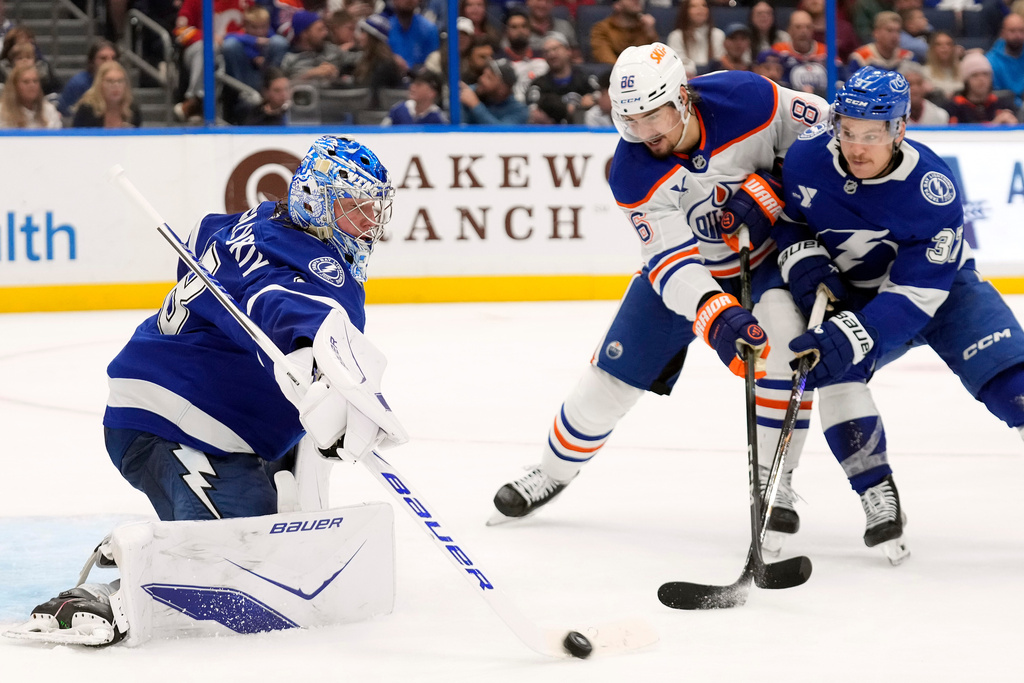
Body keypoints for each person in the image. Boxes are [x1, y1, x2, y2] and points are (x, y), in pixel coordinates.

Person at [14, 135, 401, 644]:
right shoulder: (317, 270)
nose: (369, 224)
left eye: (373, 210)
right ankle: (116, 582)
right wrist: (325, 362)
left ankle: (265, 491)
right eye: (355, 209)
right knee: (240, 571)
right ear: (317, 202)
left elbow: (205, 239)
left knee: (288, 485)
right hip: (176, 421)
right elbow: (276, 302)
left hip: (188, 405)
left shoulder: (255, 222)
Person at [491, 43, 830, 550]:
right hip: (686, 276)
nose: (645, 133)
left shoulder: (749, 98)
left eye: (654, 115)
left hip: (767, 263)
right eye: (630, 120)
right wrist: (715, 315)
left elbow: (827, 132)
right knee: (607, 384)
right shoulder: (631, 171)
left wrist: (773, 188)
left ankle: (773, 482)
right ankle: (551, 471)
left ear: (684, 97)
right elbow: (672, 262)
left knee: (784, 355)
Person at [774, 66, 1024, 564]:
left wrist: (857, 332)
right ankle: (876, 493)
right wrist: (804, 263)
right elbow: (789, 222)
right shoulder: (806, 159)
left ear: (900, 129)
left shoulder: (932, 188)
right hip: (853, 295)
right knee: (834, 374)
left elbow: (917, 292)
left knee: (1015, 389)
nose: (857, 147)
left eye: (871, 135)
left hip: (943, 294)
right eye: (847, 131)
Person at [527, 32, 598, 122]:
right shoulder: (538, 85)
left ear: (568, 51)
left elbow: (602, 95)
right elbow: (532, 111)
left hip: (583, 132)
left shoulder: (586, 78)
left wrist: (594, 99)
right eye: (546, 51)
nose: (551, 54)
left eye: (555, 49)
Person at [221, 4, 291, 94]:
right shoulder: (241, 36)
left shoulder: (270, 36)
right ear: (245, 26)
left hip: (265, 73)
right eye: (254, 27)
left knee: (279, 42)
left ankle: (274, 88)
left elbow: (277, 43)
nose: (259, 31)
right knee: (230, 45)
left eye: (263, 27)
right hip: (244, 76)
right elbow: (227, 37)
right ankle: (242, 94)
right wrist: (254, 52)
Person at [947, 50, 1019, 125]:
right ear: (966, 80)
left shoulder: (1002, 104)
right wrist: (994, 125)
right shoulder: (955, 106)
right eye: (975, 75)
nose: (981, 79)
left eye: (985, 74)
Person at [56, 39, 119, 117]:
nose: (109, 63)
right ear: (92, 62)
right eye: (103, 58)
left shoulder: (120, 83)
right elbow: (65, 116)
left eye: (113, 58)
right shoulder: (78, 84)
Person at [71, 61, 142, 128]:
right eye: (110, 81)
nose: (116, 86)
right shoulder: (87, 110)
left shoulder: (132, 110)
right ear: (99, 84)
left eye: (120, 81)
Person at [459, 58, 529, 124]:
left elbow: (501, 133)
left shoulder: (519, 111)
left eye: (488, 78)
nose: (481, 79)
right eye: (483, 74)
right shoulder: (470, 93)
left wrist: (476, 106)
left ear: (503, 89)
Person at [589, 0, 659, 65]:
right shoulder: (602, 29)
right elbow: (606, 60)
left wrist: (652, 35)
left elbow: (658, 60)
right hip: (615, 74)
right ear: (617, 5)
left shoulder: (645, 26)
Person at [666, 0, 724, 78]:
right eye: (694, 6)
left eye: (704, 5)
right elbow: (679, 65)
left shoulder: (718, 34)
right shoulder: (676, 36)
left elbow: (719, 63)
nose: (700, 9)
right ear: (685, 11)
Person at [848, 11, 913, 72]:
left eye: (898, 31)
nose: (895, 35)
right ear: (876, 33)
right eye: (889, 30)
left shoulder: (907, 57)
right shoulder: (860, 58)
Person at [0, 63, 61, 128]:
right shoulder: (2, 113)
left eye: (35, 81)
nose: (32, 85)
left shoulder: (49, 110)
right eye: (26, 82)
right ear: (15, 86)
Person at [382, 66, 447, 124]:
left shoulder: (438, 120)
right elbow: (382, 132)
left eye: (418, 85)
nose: (412, 87)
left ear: (432, 93)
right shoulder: (398, 111)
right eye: (412, 83)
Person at [387, 0, 439, 73]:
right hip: (389, 77)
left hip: (418, 78)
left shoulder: (429, 29)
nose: (409, 1)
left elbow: (432, 62)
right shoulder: (385, 26)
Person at [986, 12, 1024, 107]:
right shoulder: (990, 62)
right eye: (1012, 31)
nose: (1018, 36)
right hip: (1003, 109)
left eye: (1021, 31)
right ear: (1003, 33)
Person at [899, 61, 949, 126]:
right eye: (910, 84)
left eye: (919, 83)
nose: (915, 88)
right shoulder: (891, 118)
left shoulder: (939, 116)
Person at [923, 31, 963, 103]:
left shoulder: (963, 70)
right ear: (932, 48)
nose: (944, 48)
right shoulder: (924, 72)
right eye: (939, 44)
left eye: (948, 44)